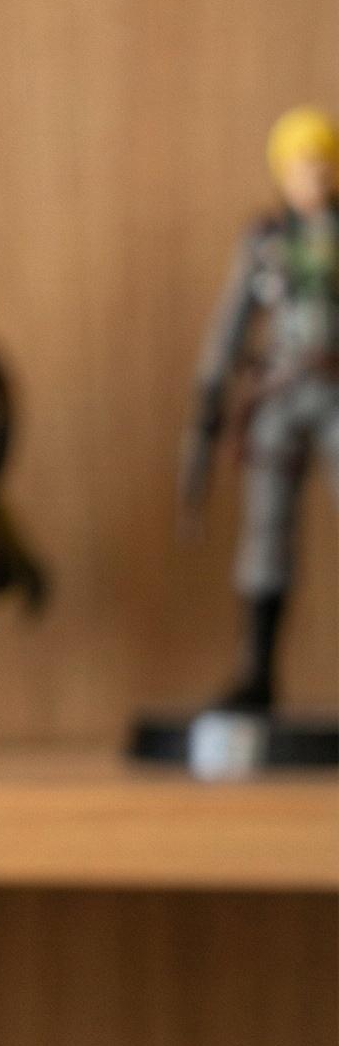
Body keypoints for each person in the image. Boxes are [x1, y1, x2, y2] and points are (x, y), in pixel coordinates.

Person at [184, 106, 339, 712]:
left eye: (322, 164)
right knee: (267, 529)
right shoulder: (267, 239)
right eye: (302, 166)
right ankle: (257, 672)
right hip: (279, 392)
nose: (313, 176)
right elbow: (232, 320)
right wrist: (210, 389)